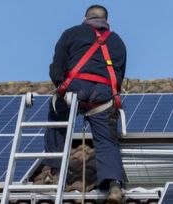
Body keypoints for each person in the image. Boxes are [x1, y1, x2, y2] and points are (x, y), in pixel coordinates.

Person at [43, 4, 126, 203]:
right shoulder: (118, 42)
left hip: (74, 90)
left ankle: (52, 171)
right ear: (107, 21)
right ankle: (114, 184)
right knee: (107, 140)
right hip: (103, 95)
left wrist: (61, 85)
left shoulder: (71, 34)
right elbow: (119, 76)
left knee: (57, 119)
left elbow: (56, 69)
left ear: (85, 18)